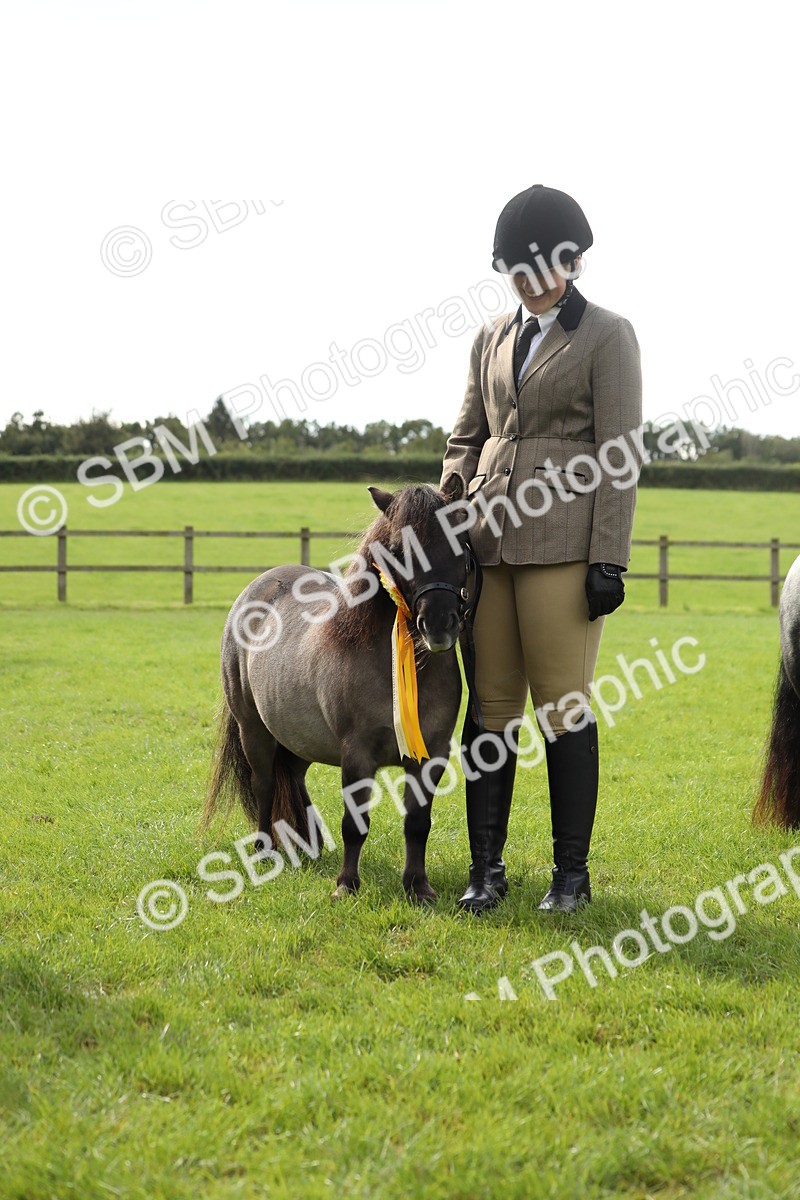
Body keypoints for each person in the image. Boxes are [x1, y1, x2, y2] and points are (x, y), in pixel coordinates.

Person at [439, 184, 642, 914]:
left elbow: (619, 455)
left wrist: (607, 558)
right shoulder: (490, 338)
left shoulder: (607, 335)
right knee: (490, 712)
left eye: (541, 266)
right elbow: (466, 437)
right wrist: (447, 512)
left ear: (572, 261)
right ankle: (485, 871)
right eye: (515, 270)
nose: (528, 282)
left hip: (563, 546)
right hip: (489, 546)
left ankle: (570, 877)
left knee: (561, 709)